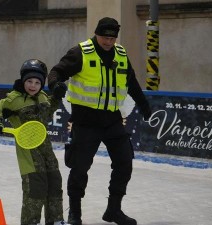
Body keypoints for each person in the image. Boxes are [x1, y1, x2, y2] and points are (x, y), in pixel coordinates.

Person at [48, 17, 152, 225]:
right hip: (86, 122)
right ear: (97, 34)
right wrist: (55, 85)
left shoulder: (121, 54)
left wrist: (144, 105)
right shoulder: (81, 52)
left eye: (112, 38)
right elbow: (57, 71)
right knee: (79, 167)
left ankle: (114, 210)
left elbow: (131, 82)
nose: (108, 42)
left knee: (124, 162)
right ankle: (75, 213)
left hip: (113, 121)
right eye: (105, 38)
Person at [0, 59, 69, 225]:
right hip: (28, 152)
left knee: (54, 183)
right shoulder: (13, 99)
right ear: (23, 81)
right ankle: (31, 222)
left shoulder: (43, 97)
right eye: (29, 81)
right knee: (35, 188)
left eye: (37, 82)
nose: (33, 85)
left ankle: (56, 220)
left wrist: (57, 98)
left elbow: (47, 113)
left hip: (46, 148)